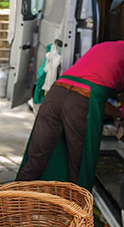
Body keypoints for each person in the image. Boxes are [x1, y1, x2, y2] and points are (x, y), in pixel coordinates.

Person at [17, 41, 124, 191]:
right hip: (81, 101)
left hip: (56, 93)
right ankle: (77, 209)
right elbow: (92, 92)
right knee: (79, 165)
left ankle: (14, 202)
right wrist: (120, 115)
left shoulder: (105, 46)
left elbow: (92, 82)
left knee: (36, 158)